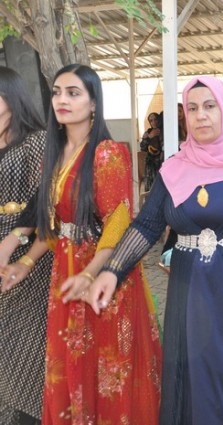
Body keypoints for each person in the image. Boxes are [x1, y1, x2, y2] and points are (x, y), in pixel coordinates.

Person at [89, 76, 223, 424]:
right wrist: (112, 270)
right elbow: (146, 225)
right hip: (190, 291)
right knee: (195, 377)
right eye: (193, 108)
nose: (201, 116)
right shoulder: (174, 168)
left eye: (210, 106)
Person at [1, 64, 162, 424]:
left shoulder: (106, 153)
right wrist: (25, 263)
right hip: (66, 272)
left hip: (104, 276)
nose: (62, 100)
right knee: (69, 368)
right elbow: (55, 226)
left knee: (106, 372)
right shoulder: (54, 153)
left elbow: (116, 225)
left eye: (73, 93)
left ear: (93, 104)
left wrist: (91, 274)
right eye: (57, 92)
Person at [0, 66, 53, 425]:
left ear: (12, 97)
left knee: (28, 354)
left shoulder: (38, 142)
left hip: (30, 259)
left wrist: (14, 240)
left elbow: (44, 201)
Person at [140, 111, 163, 191]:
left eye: (155, 119)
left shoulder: (164, 131)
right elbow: (143, 148)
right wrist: (149, 137)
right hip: (151, 165)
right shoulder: (148, 132)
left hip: (162, 163)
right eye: (151, 120)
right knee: (151, 189)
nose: (154, 122)